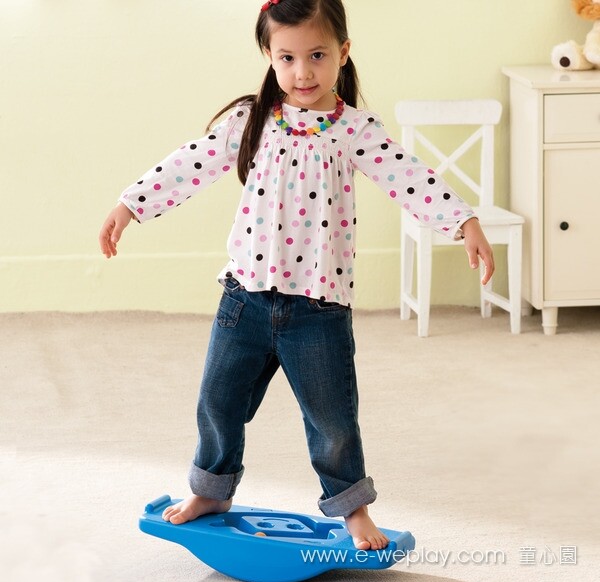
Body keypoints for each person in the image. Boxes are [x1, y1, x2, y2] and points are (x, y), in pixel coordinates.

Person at [99, 0, 494, 551]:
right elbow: (191, 162)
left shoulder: (354, 130)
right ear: (269, 55)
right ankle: (211, 491)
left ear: (343, 53)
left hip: (317, 308)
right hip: (244, 299)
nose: (303, 72)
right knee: (218, 403)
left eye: (317, 56)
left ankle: (352, 509)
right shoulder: (252, 120)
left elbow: (410, 176)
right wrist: (131, 205)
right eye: (287, 57)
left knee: (333, 421)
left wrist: (462, 220)